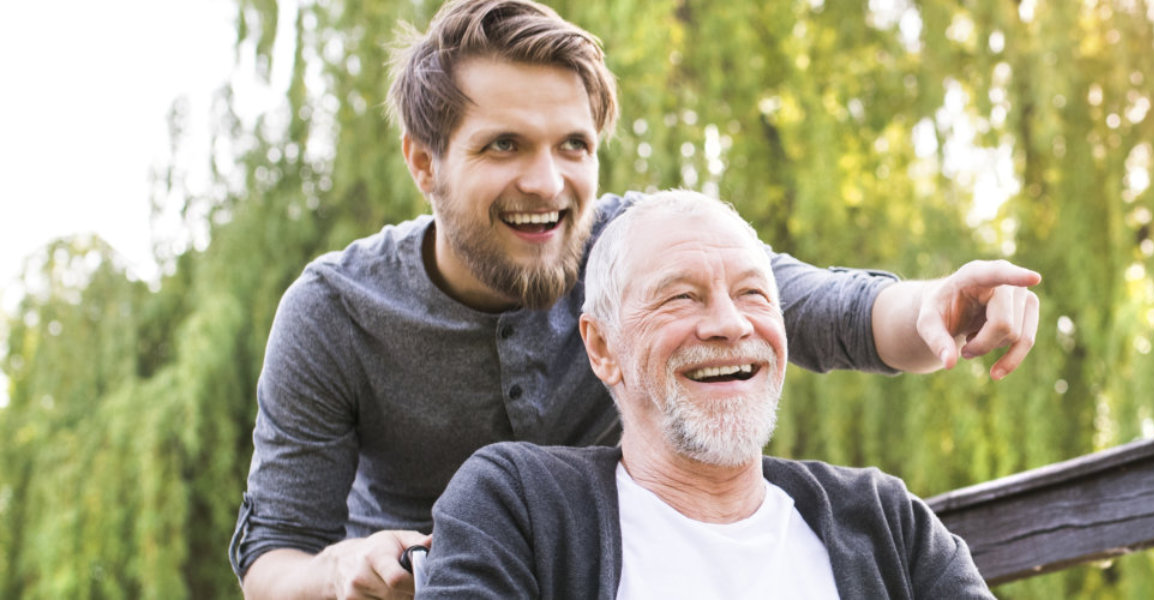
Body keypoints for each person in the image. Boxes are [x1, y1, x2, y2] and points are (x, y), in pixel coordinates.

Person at [227, 1, 1038, 597]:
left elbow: (810, 306)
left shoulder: (635, 254)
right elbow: (272, 557)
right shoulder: (334, 313)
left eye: (572, 146)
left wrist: (935, 306)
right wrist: (337, 572)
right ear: (423, 162)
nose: (546, 183)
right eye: (503, 145)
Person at [419, 191, 992, 598]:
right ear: (602, 348)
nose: (730, 324)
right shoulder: (515, 505)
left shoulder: (885, 521)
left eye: (752, 294)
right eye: (681, 298)